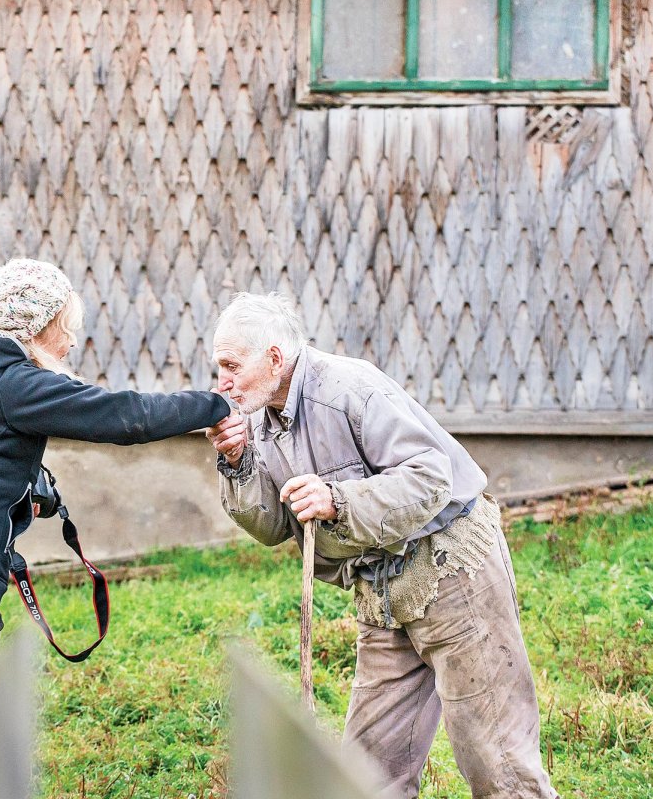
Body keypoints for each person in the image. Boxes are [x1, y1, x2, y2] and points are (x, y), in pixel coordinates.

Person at [0, 258, 230, 746]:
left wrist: (7, 488)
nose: (72, 342)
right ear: (38, 327)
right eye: (68, 327)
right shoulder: (16, 383)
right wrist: (219, 403)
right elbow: (128, 417)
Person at [205, 292, 556, 799]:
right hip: (380, 590)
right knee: (369, 772)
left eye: (231, 366)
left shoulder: (349, 388)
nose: (223, 384)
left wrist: (338, 500)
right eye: (220, 368)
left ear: (275, 358)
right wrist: (237, 460)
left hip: (452, 570)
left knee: (496, 761)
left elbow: (430, 476)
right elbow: (273, 526)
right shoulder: (259, 423)